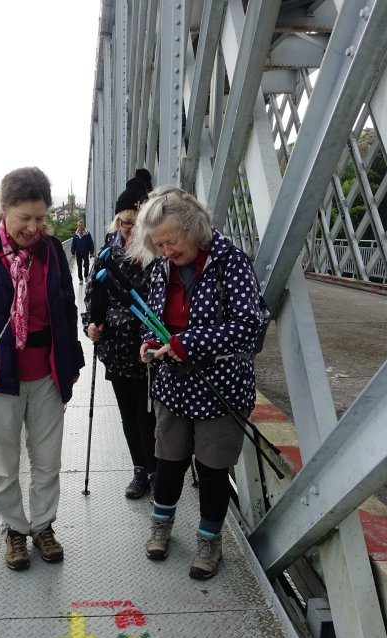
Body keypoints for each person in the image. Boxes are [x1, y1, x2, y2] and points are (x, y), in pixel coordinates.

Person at [0, 166, 85, 571]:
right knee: (5, 463)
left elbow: (65, 310)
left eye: (41, 218)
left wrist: (72, 362)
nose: (34, 227)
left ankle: (43, 527)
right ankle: (14, 531)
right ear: (4, 209)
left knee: (47, 459)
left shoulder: (52, 251)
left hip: (46, 372)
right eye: (25, 217)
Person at [127, 185, 267, 579]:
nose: (166, 251)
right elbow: (151, 318)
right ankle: (162, 525)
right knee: (168, 460)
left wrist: (186, 342)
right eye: (159, 244)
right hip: (173, 383)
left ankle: (209, 541)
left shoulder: (230, 263)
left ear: (195, 227)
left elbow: (248, 325)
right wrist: (150, 342)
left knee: (212, 468)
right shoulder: (161, 268)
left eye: (171, 241)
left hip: (220, 385)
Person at [82, 168, 156, 500]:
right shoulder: (106, 253)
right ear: (117, 221)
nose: (130, 231)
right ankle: (140, 470)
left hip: (148, 348)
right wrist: (90, 324)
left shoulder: (157, 254)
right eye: (125, 224)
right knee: (129, 413)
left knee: (147, 414)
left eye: (136, 224)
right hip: (114, 348)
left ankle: (156, 469)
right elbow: (91, 293)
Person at [71, 219, 94, 284]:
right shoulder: (75, 235)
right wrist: (73, 253)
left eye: (81, 225)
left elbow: (91, 243)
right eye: (79, 225)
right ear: (78, 226)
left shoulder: (87, 234)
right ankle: (80, 279)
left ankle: (86, 276)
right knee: (79, 266)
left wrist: (91, 252)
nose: (80, 226)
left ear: (83, 225)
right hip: (78, 253)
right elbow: (73, 244)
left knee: (86, 265)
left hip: (85, 252)